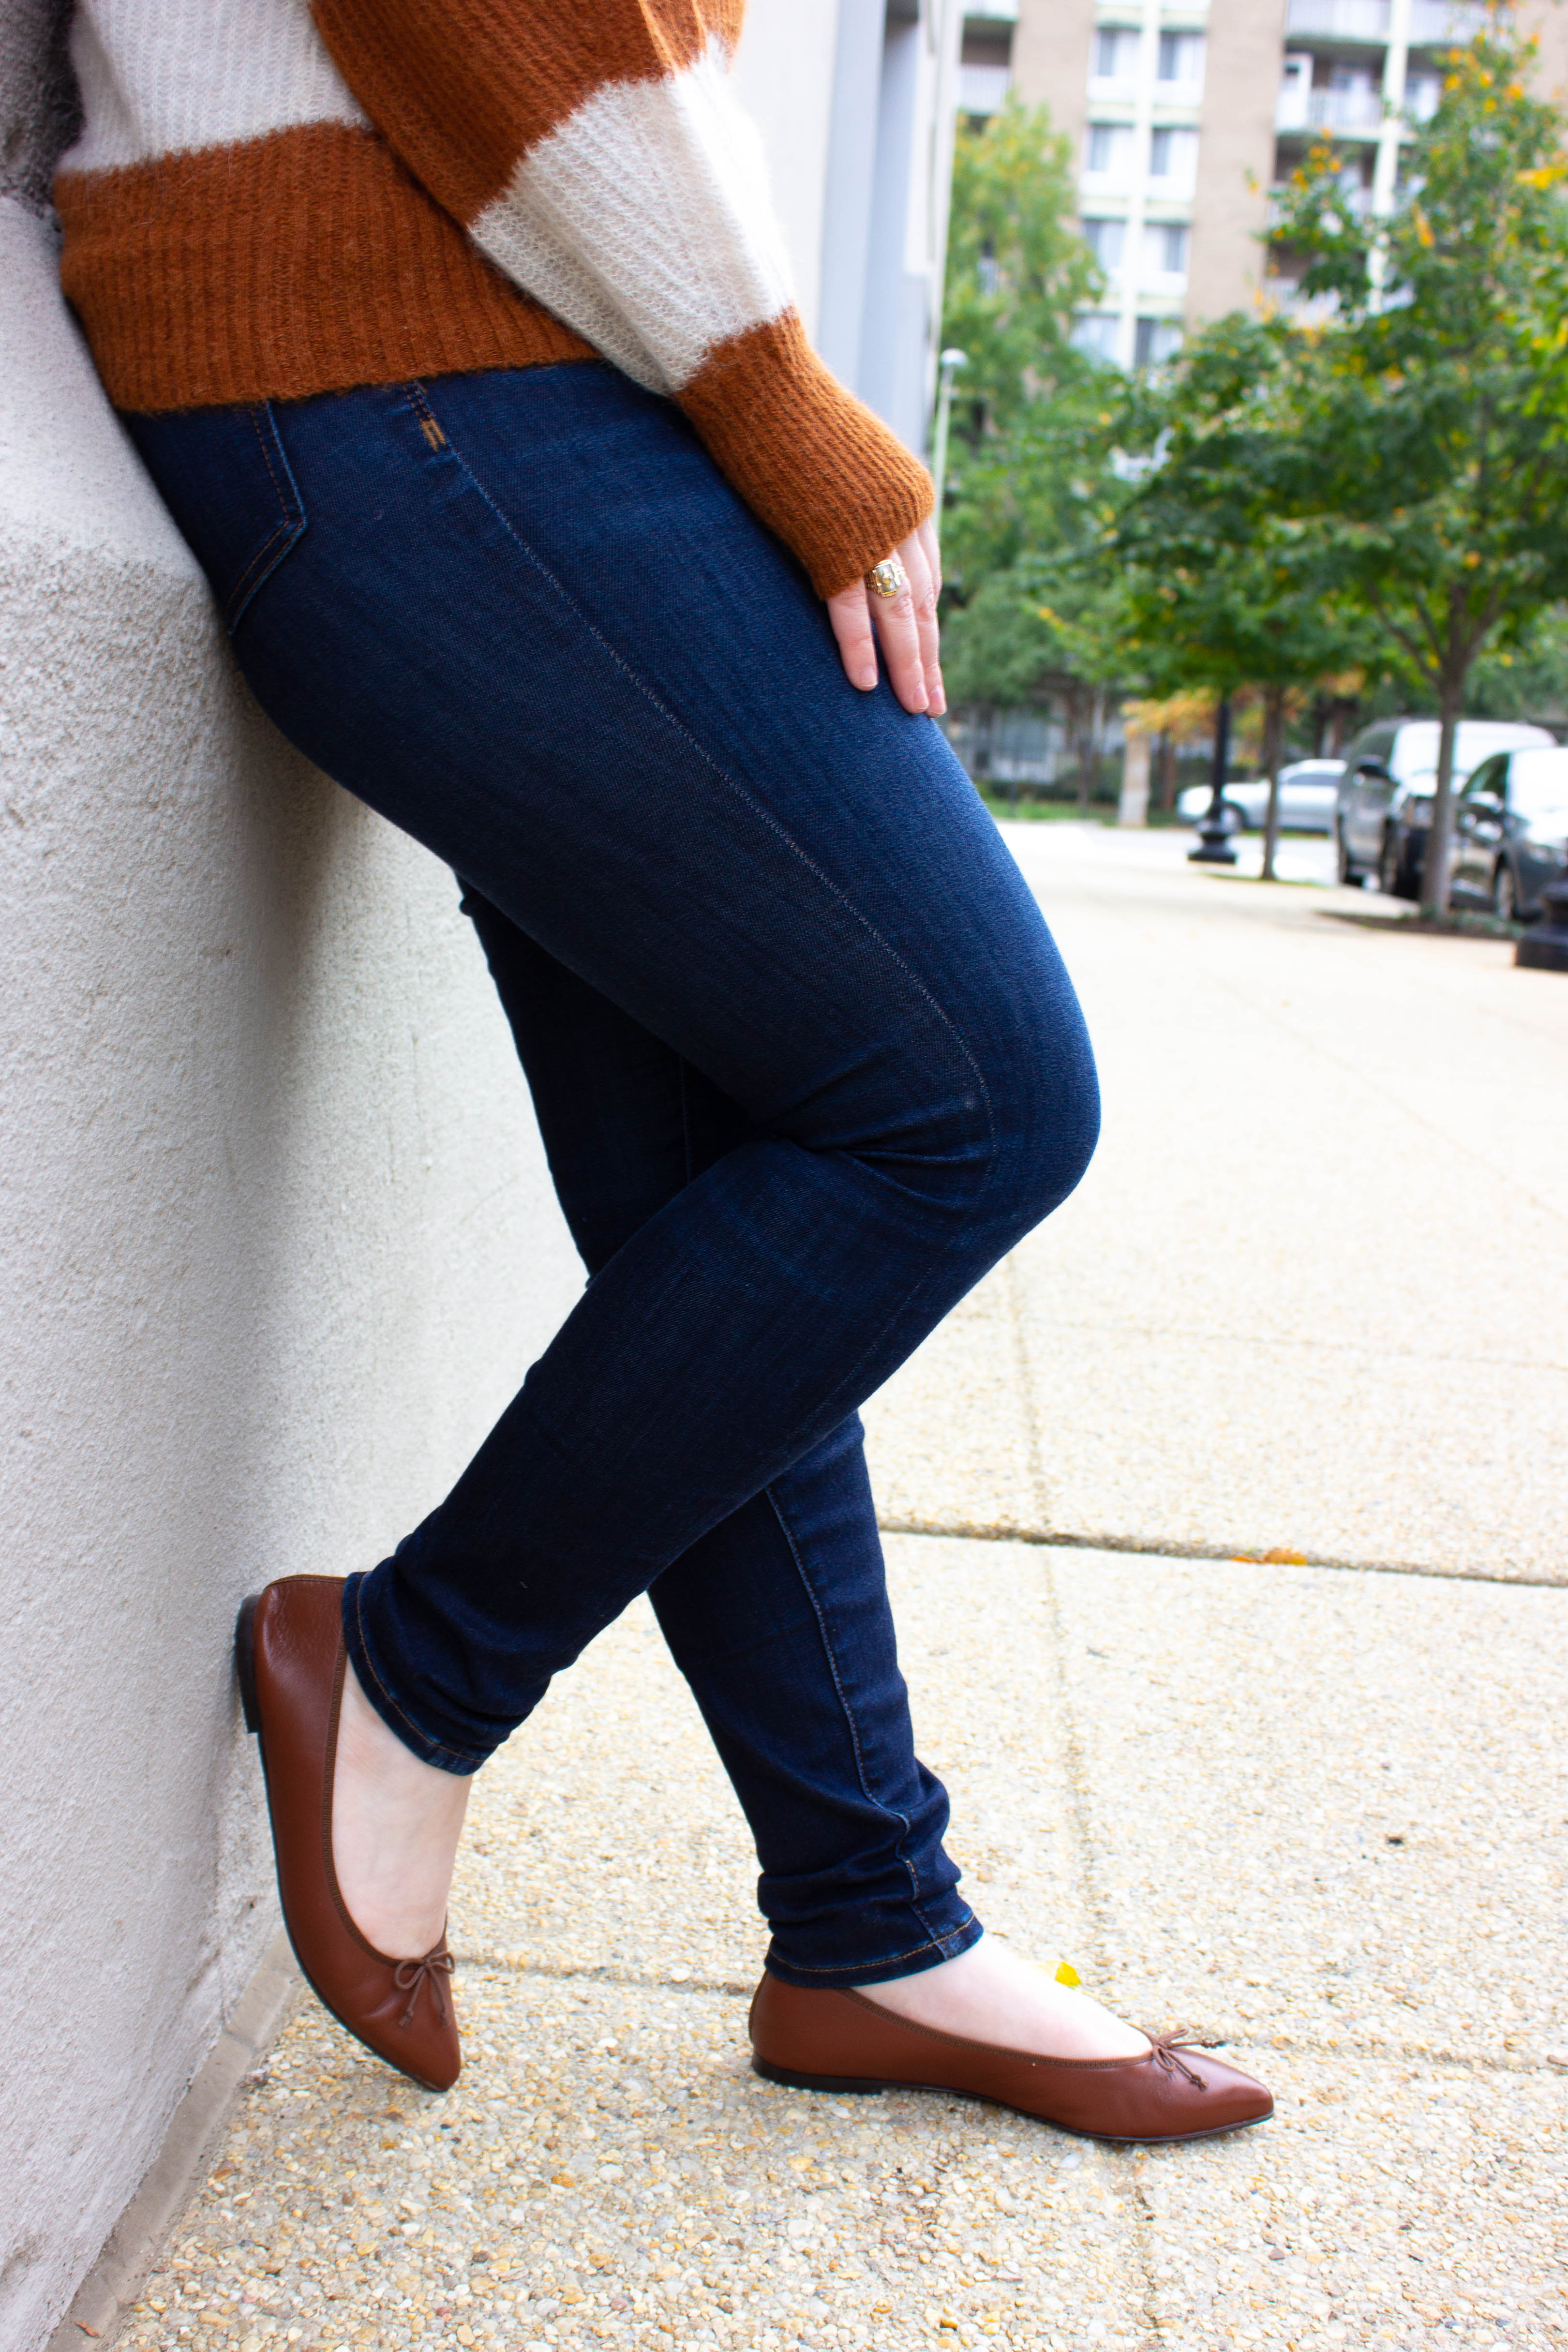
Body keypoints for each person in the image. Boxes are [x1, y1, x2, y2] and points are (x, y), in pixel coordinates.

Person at [57, 0, 1270, 2143]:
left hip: (461, 381)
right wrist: (784, 405)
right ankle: (412, 1671)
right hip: (425, 373)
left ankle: (868, 1914)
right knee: (975, 1092)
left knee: (736, 1187)